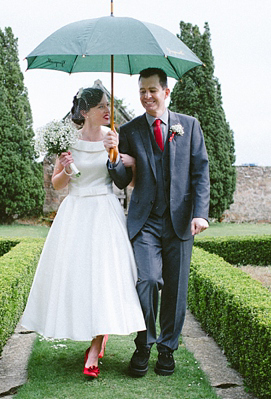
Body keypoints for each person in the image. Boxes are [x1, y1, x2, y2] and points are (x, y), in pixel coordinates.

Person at [20, 86, 145, 378]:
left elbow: (123, 181)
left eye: (109, 106)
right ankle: (89, 331)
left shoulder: (113, 137)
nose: (108, 111)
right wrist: (63, 167)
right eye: (102, 106)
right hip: (75, 212)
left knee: (105, 276)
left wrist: (117, 155)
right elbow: (58, 184)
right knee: (79, 277)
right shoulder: (68, 140)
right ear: (86, 111)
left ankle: (95, 346)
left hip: (104, 211)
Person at [104, 68, 210, 377]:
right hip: (145, 221)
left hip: (179, 221)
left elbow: (200, 173)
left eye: (152, 90)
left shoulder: (188, 126)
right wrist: (113, 157)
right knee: (146, 280)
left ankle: (167, 348)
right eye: (142, 91)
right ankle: (144, 343)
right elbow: (123, 181)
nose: (146, 96)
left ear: (166, 92)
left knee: (176, 288)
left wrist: (200, 212)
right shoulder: (130, 130)